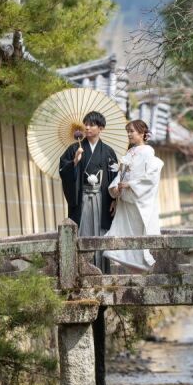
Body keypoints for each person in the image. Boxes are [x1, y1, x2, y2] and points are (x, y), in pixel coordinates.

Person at [59, 111, 118, 272]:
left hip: (102, 198)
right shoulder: (74, 149)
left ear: (101, 128)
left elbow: (115, 177)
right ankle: (82, 270)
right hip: (82, 197)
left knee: (101, 232)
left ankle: (102, 270)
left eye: (91, 125)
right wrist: (74, 162)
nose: (87, 127)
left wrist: (114, 199)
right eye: (86, 124)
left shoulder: (108, 152)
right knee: (82, 230)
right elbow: (63, 171)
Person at [104, 119, 164, 272]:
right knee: (121, 232)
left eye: (132, 131)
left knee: (138, 234)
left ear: (142, 133)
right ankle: (134, 268)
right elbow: (121, 175)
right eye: (128, 131)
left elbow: (152, 176)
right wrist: (115, 190)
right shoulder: (129, 152)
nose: (129, 134)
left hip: (138, 199)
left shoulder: (148, 152)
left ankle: (142, 267)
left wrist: (131, 184)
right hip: (125, 200)